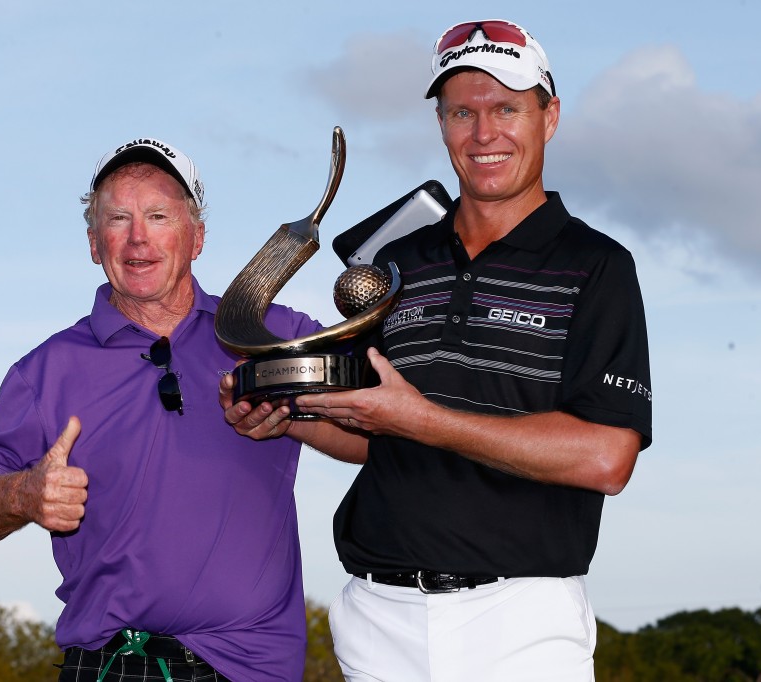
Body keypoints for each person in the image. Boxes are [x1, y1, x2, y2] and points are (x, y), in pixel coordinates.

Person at [221, 19, 652, 681]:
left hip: (521, 619)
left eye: (506, 109)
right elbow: (375, 431)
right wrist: (288, 416)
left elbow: (606, 457)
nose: (484, 134)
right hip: (377, 616)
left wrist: (423, 420)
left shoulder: (597, 265)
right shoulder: (397, 264)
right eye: (461, 113)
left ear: (549, 117)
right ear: (442, 124)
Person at [0, 137, 360, 682]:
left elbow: (378, 431)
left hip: (252, 668)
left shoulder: (273, 334)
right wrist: (22, 494)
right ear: (94, 243)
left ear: (197, 237)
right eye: (118, 218)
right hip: (112, 665)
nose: (137, 237)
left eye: (159, 216)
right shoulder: (45, 370)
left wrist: (296, 417)